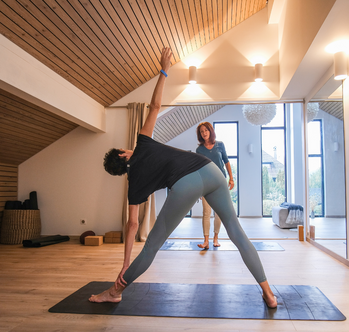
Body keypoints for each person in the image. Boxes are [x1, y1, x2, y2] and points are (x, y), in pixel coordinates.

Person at [89, 47, 277, 309]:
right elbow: (155, 106)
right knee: (236, 233)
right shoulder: (142, 144)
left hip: (186, 184)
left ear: (120, 172)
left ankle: (115, 290)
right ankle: (268, 293)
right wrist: (164, 70)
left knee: (152, 246)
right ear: (124, 153)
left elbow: (132, 225)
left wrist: (125, 263)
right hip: (210, 171)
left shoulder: (133, 186)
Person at [196, 122, 234, 249]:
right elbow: (198, 169)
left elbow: (226, 162)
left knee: (219, 212)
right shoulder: (199, 150)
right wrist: (199, 188)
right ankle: (206, 241)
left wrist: (231, 179)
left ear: (211, 131)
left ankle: (215, 238)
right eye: (202, 131)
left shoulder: (220, 145)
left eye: (206, 130)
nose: (204, 133)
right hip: (206, 184)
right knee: (206, 212)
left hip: (221, 183)